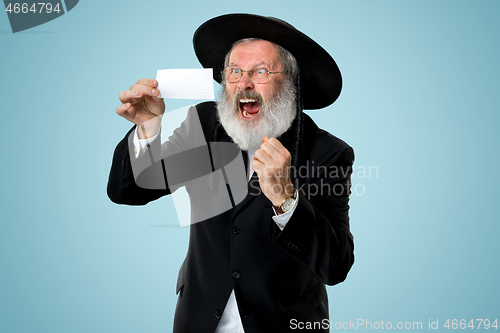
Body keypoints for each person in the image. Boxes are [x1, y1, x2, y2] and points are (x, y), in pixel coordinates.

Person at [108, 13, 354, 333]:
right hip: (198, 319)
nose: (244, 83)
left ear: (292, 83)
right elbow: (128, 191)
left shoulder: (328, 153)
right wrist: (147, 129)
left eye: (260, 71)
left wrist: (286, 199)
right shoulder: (204, 124)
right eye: (235, 71)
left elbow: (335, 266)